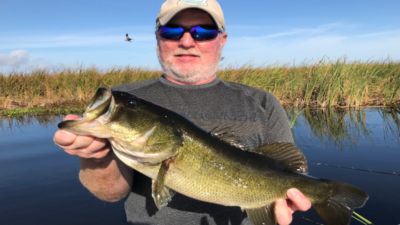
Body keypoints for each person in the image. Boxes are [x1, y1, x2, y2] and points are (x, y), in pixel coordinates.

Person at [53, 0, 311, 224]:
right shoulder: (127, 95)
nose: (187, 41)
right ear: (157, 38)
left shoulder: (262, 102)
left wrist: (292, 197)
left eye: (204, 32)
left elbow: (292, 171)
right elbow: (110, 193)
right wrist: (96, 157)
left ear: (222, 40)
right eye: (172, 31)